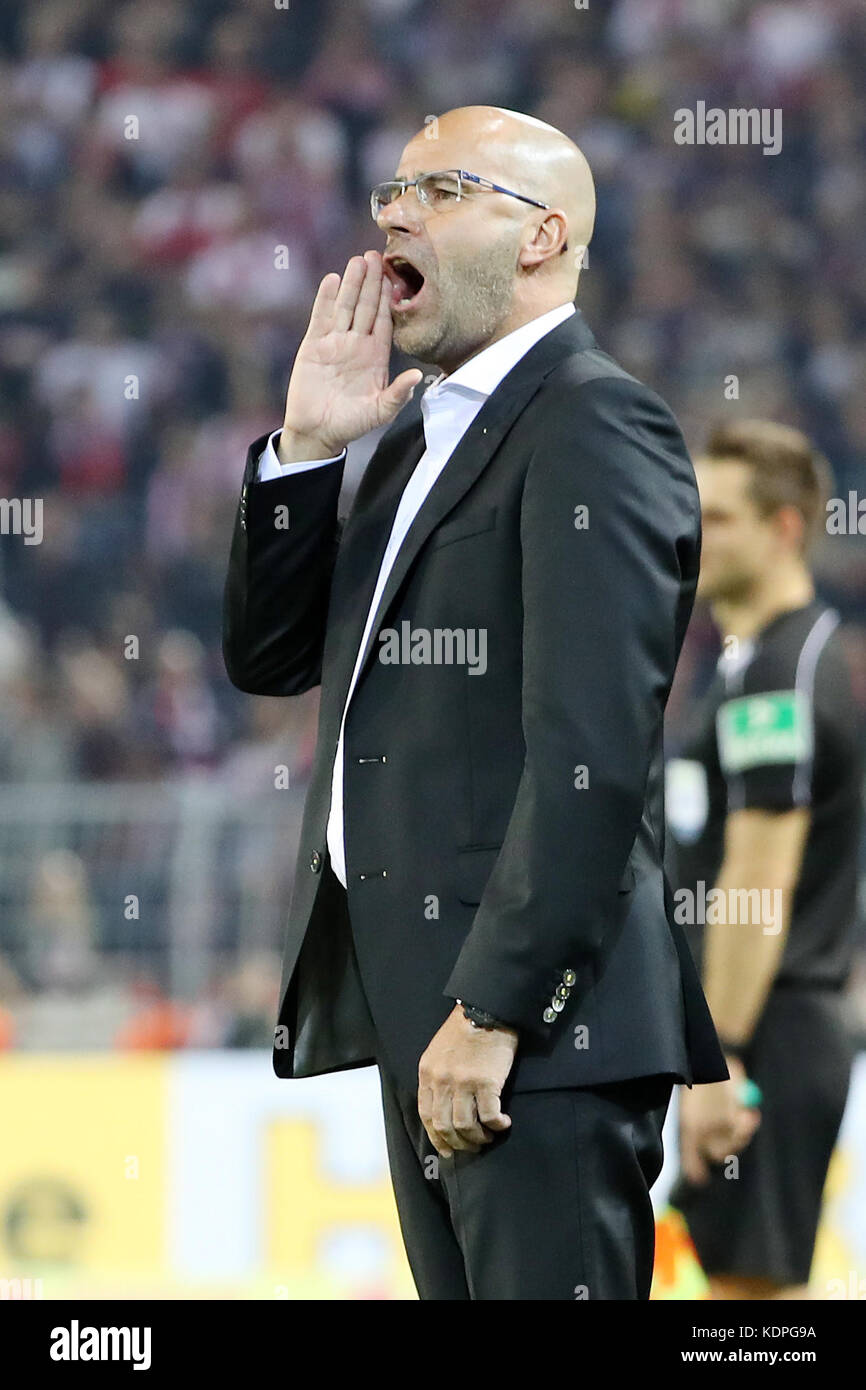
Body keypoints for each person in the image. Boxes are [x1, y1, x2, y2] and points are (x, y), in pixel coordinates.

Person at [222, 105, 738, 1301]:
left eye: (440, 189)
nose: (393, 212)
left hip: (527, 1032)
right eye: (389, 190)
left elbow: (591, 753)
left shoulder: (593, 421)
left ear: (539, 235)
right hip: (431, 1018)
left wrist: (495, 1008)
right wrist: (305, 450)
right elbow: (269, 657)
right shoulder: (411, 437)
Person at [667, 420, 863, 1300]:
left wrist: (724, 1059)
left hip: (766, 1033)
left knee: (752, 1311)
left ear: (786, 528)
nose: (697, 534)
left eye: (723, 517)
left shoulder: (781, 677)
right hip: (766, 1030)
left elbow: (756, 882)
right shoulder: (760, 664)